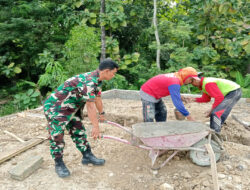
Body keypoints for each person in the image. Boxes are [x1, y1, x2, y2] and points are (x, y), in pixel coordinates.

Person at [43, 59, 119, 178]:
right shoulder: (88, 82)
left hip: (71, 107)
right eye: (113, 73)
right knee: (57, 136)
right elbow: (90, 105)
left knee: (79, 131)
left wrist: (102, 113)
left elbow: (97, 98)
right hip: (56, 108)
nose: (114, 75)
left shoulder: (98, 81)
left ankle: (87, 156)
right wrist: (95, 127)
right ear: (106, 71)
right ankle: (59, 164)